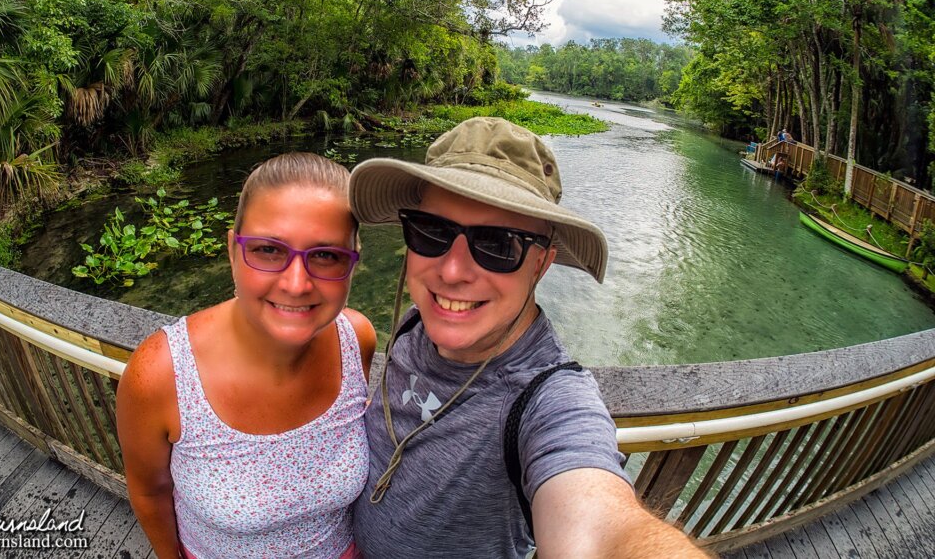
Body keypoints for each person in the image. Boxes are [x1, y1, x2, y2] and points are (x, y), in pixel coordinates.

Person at [348, 117, 707, 558]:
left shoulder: (546, 399)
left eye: (498, 245)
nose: (452, 271)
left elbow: (600, 524)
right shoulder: (416, 321)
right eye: (431, 231)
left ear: (541, 264)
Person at [116, 152, 377, 559]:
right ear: (232, 251)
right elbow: (150, 492)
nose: (296, 284)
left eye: (326, 255)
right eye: (268, 250)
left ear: (353, 262)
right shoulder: (160, 374)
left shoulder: (356, 339)